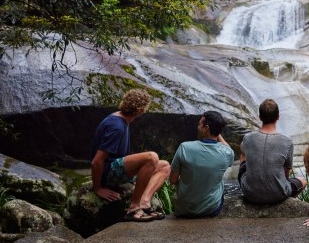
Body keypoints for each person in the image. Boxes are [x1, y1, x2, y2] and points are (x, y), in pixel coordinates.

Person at [90, 89, 170, 222]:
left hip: (116, 170)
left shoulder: (119, 119)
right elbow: (97, 162)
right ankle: (133, 209)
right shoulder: (117, 126)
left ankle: (144, 203)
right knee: (152, 157)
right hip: (107, 174)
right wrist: (98, 188)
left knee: (164, 166)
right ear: (141, 110)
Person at [238, 99, 306, 204]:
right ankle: (286, 203)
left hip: (250, 193)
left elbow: (242, 150)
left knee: (243, 153)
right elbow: (286, 172)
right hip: (278, 194)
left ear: (260, 117)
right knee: (303, 181)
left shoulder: (248, 138)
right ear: (278, 117)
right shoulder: (287, 141)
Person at [170, 110, 235, 218]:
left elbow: (172, 180)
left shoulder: (184, 148)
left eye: (200, 124)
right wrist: (217, 132)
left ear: (206, 128)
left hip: (183, 209)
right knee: (220, 182)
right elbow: (228, 148)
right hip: (210, 210)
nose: (197, 127)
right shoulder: (227, 153)